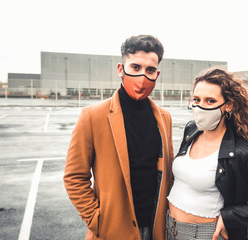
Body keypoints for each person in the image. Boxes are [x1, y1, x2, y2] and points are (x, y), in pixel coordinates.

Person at [166, 67, 248, 240]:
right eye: (196, 99)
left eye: (210, 101)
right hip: (170, 229)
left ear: (229, 105)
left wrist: (232, 216)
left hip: (207, 234)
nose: (200, 107)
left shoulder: (244, 152)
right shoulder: (191, 130)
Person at [64, 35, 174, 240]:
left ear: (157, 73)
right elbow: (74, 177)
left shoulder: (164, 118)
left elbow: (168, 173)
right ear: (120, 69)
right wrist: (97, 221)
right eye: (135, 67)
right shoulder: (93, 116)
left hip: (154, 228)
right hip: (112, 231)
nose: (143, 76)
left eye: (150, 70)